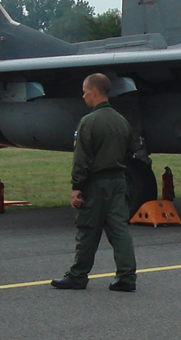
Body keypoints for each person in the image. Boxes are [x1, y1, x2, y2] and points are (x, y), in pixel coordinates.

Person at [51, 73, 138, 292]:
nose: (83, 96)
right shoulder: (122, 121)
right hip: (118, 181)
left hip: (95, 183)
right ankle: (127, 276)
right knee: (119, 230)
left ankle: (78, 275)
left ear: (94, 92)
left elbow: (82, 158)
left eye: (84, 91)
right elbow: (131, 150)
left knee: (88, 229)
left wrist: (77, 186)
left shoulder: (88, 122)